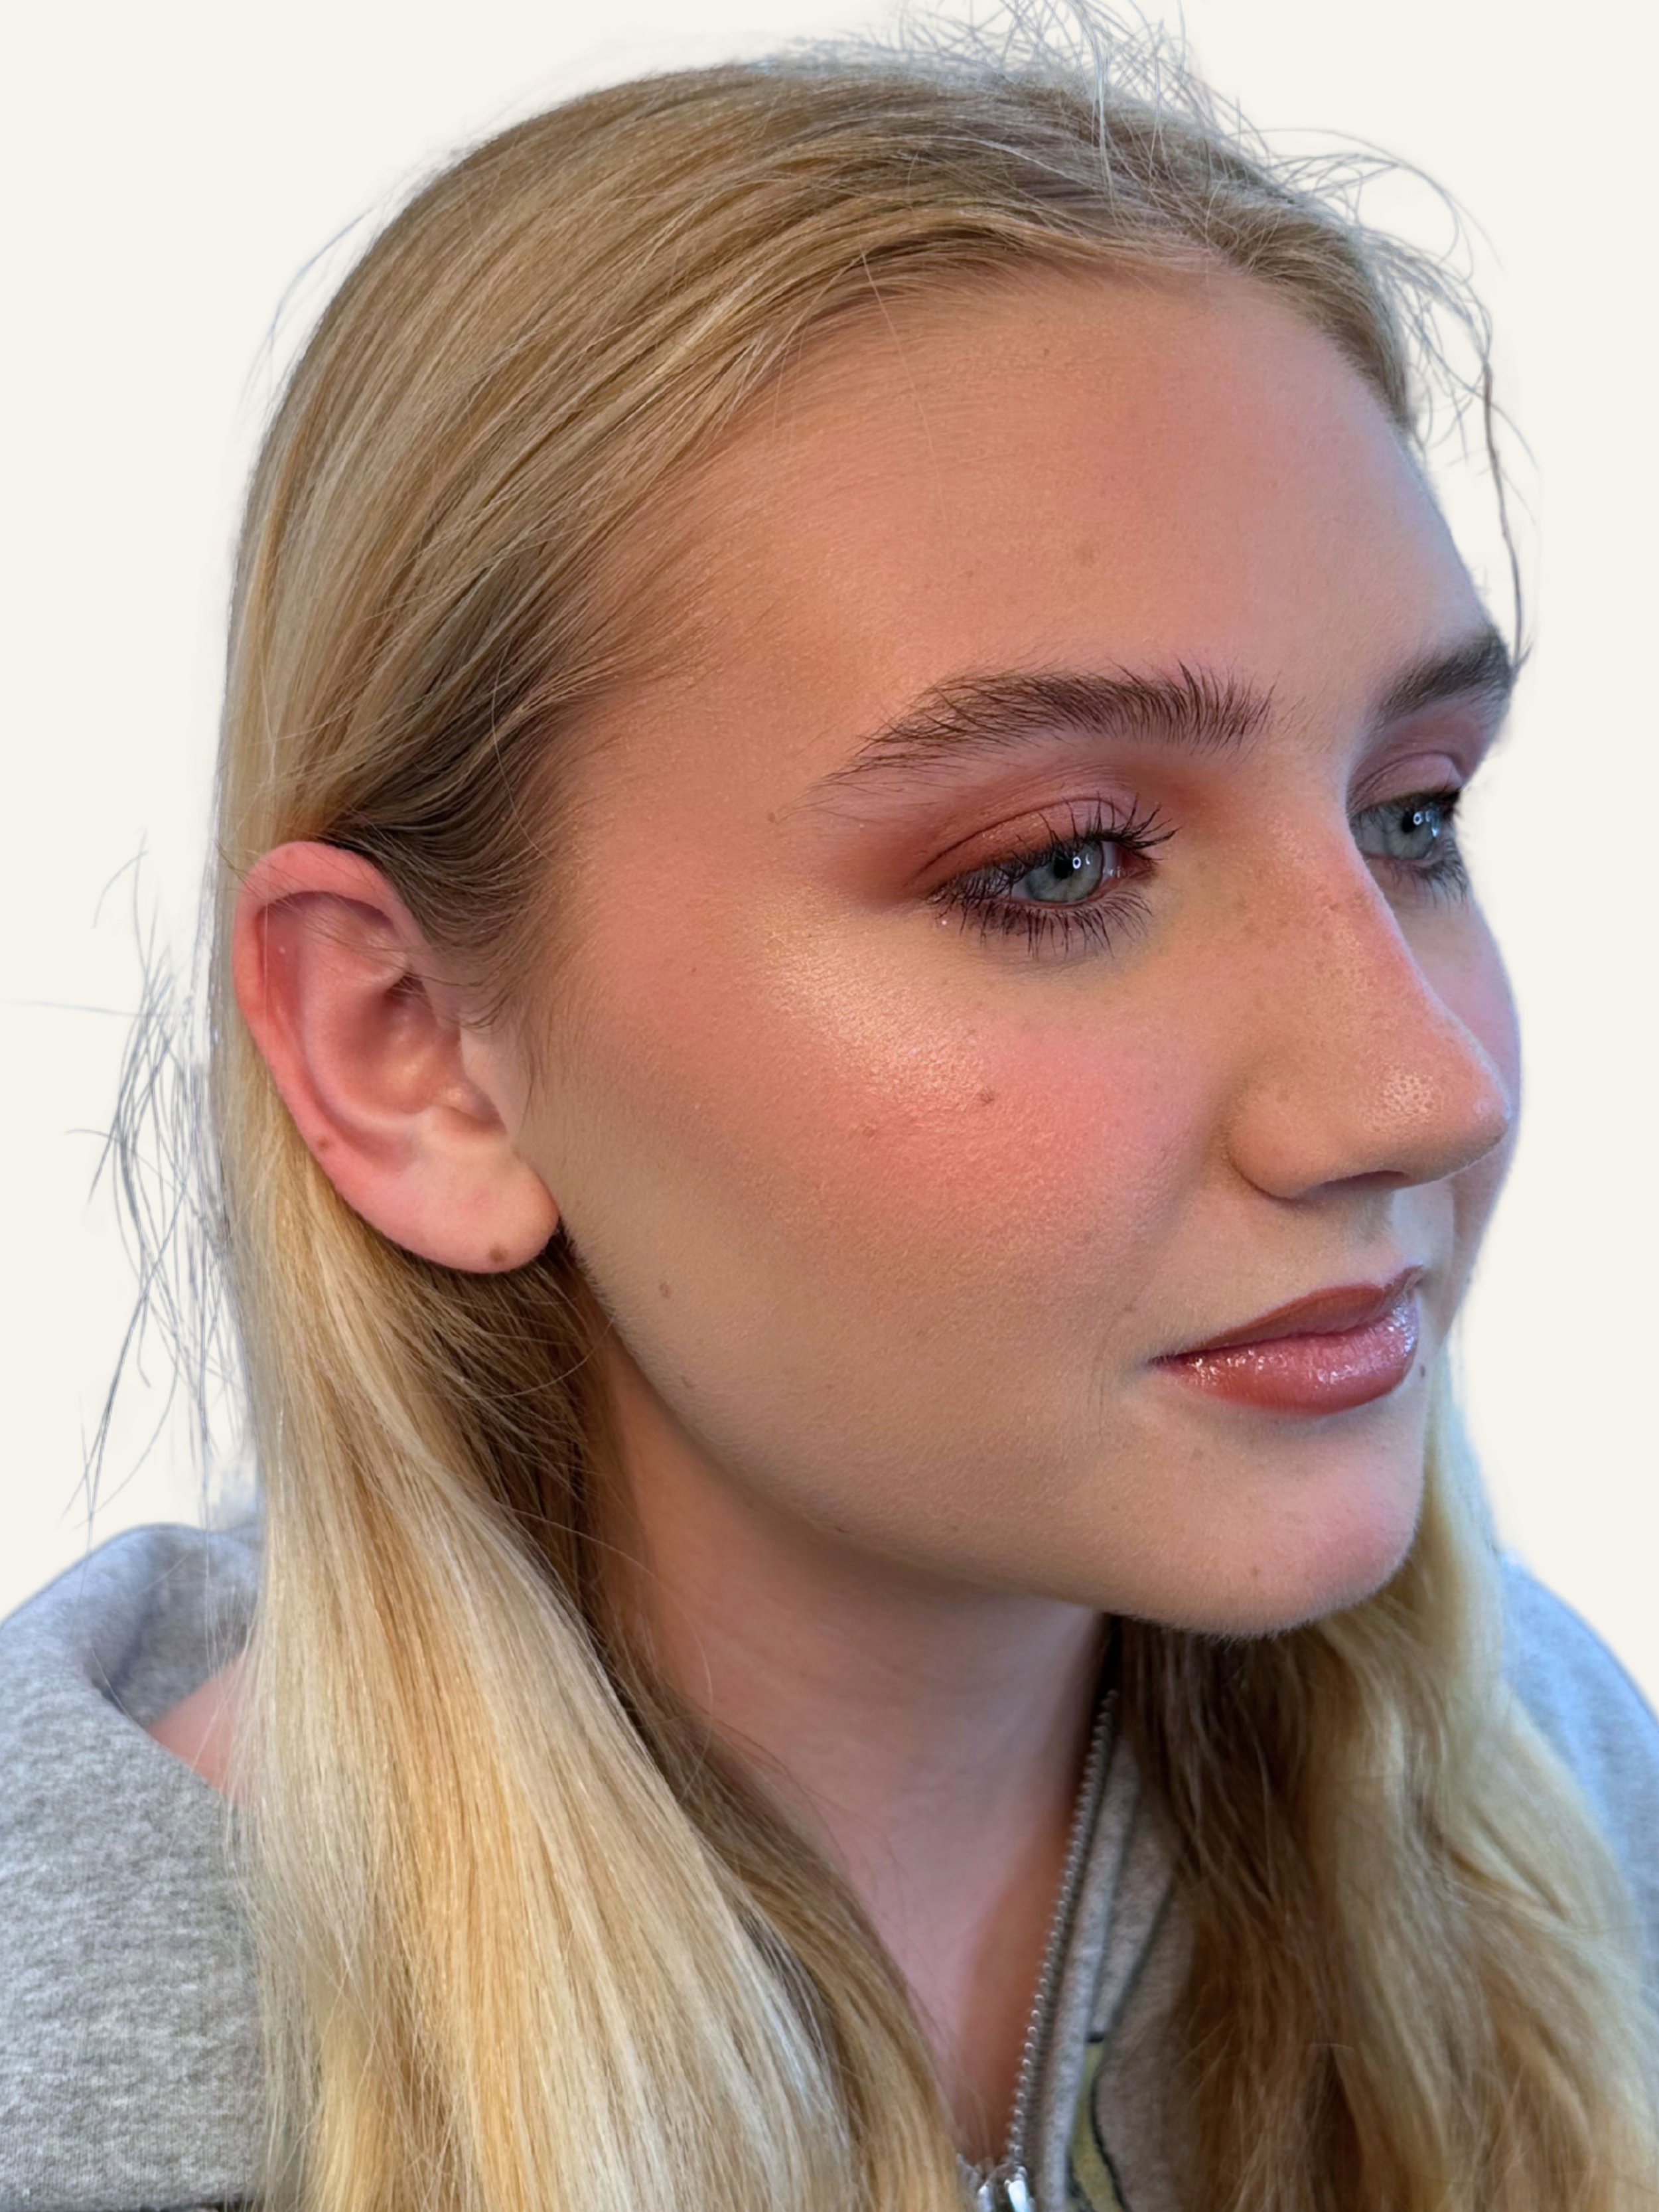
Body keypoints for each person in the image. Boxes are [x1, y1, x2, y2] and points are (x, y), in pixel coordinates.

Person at [3, 5, 1658, 2209]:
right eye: (1056, 866)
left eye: (1411, 817)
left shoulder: (1545, 1810)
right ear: (412, 1053)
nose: (1415, 1090)